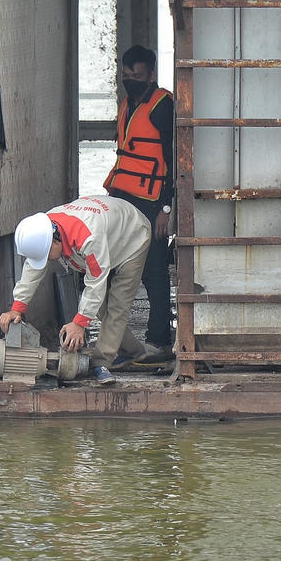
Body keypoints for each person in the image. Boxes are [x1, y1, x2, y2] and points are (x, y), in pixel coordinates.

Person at [0, 195, 157, 385]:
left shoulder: (88, 238)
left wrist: (80, 324)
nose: (47, 260)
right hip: (109, 229)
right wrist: (17, 308)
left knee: (117, 305)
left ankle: (101, 362)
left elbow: (96, 282)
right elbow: (33, 268)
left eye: (46, 256)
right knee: (99, 309)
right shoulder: (44, 228)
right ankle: (134, 352)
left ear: (55, 242)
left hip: (132, 235)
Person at [102, 45, 174, 356]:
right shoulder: (127, 103)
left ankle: (159, 340)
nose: (130, 80)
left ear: (152, 75)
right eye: (126, 75)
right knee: (114, 267)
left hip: (152, 202)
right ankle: (116, 340)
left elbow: (174, 161)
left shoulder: (162, 106)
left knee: (155, 271)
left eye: (137, 75)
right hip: (122, 198)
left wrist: (166, 209)